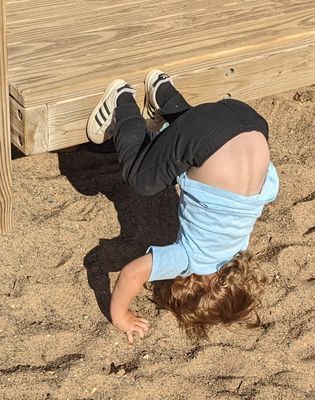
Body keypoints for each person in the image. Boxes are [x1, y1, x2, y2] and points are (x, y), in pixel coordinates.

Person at [86, 70, 279, 343]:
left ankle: (162, 92)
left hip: (250, 124)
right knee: (142, 180)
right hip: (204, 137)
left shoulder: (239, 251)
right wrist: (121, 315)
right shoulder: (191, 260)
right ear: (195, 285)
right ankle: (121, 101)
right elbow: (131, 274)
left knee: (197, 153)